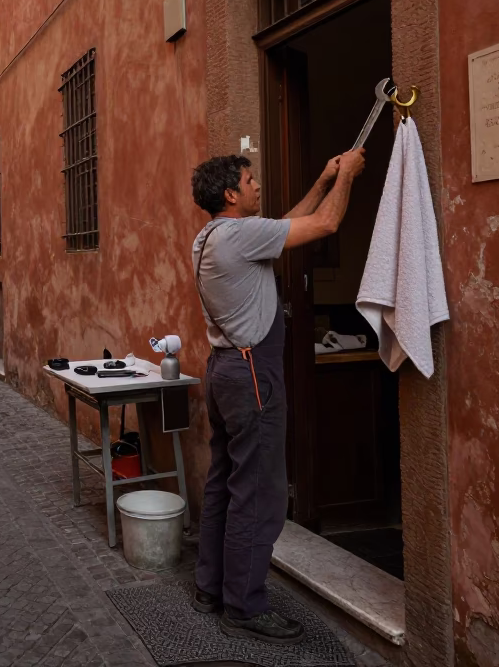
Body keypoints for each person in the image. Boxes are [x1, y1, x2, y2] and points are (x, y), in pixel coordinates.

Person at [189, 148, 365, 643]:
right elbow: (325, 225)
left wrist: (323, 177)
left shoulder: (210, 237)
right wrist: (347, 177)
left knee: (225, 482)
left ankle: (210, 588)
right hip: (251, 376)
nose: (257, 186)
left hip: (223, 371)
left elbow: (281, 227)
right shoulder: (241, 236)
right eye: (250, 179)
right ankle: (244, 605)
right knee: (260, 493)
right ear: (230, 193)